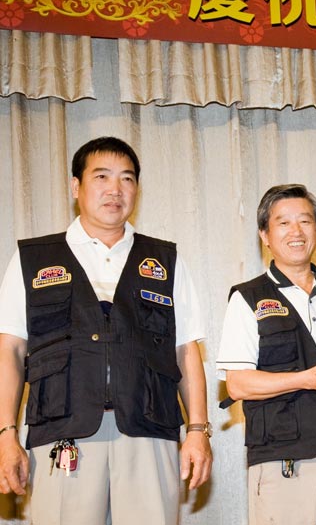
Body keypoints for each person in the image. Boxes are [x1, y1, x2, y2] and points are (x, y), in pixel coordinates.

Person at [0, 137, 212, 524]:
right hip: (63, 428)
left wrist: (198, 430)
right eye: (102, 176)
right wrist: (5, 433)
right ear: (76, 186)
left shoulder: (165, 260)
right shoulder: (33, 259)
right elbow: (10, 351)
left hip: (149, 429)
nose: (115, 189)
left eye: (126, 179)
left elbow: (185, 351)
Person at [217, 184, 316, 525]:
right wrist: (308, 379)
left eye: (305, 221)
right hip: (283, 456)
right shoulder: (248, 298)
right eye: (283, 223)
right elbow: (238, 384)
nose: (296, 231)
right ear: (265, 235)